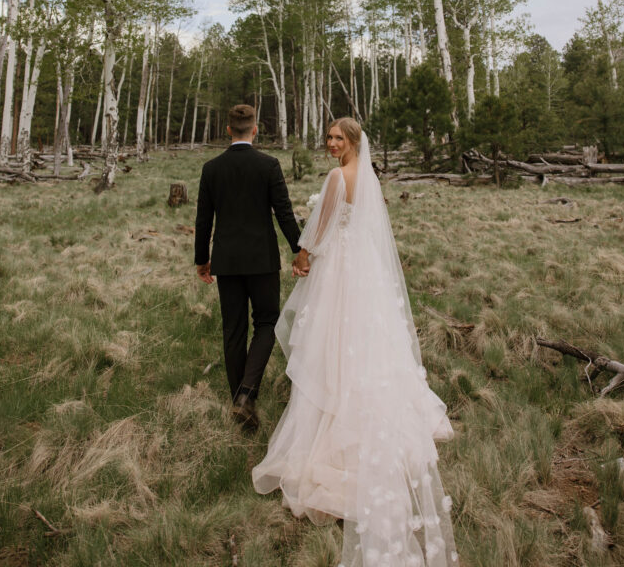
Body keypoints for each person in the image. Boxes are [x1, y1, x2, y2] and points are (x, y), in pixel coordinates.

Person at [252, 118, 458, 567]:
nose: (330, 145)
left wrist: (303, 258)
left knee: (332, 341)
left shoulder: (334, 177)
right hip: (365, 271)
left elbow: (320, 226)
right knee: (364, 341)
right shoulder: (367, 177)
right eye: (328, 138)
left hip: (340, 272)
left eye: (337, 139)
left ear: (353, 143)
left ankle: (335, 416)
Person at [195, 104, 309, 431]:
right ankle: (247, 394)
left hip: (227, 261)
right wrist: (300, 251)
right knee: (266, 321)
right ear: (255, 130)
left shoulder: (211, 168)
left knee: (233, 329)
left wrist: (202, 259)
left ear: (229, 130)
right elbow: (285, 214)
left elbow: (203, 221)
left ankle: (241, 406)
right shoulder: (268, 165)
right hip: (262, 260)